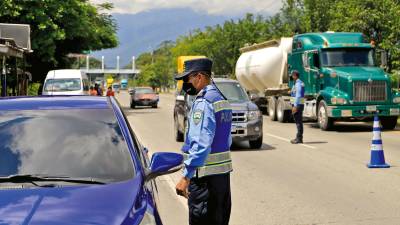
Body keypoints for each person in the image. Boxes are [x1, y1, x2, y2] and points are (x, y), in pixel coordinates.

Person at [175, 58, 233, 225]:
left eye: (187, 79)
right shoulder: (221, 99)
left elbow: (201, 144)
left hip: (204, 183)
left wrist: (186, 177)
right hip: (222, 180)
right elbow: (227, 138)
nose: (185, 84)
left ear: (198, 77)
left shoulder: (203, 102)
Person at [290, 70, 305, 144]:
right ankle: (299, 137)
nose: (292, 77)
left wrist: (295, 106)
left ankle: (299, 138)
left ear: (295, 76)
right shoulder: (298, 83)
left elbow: (298, 95)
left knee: (298, 122)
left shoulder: (298, 84)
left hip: (298, 105)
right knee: (298, 121)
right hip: (299, 104)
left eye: (292, 75)